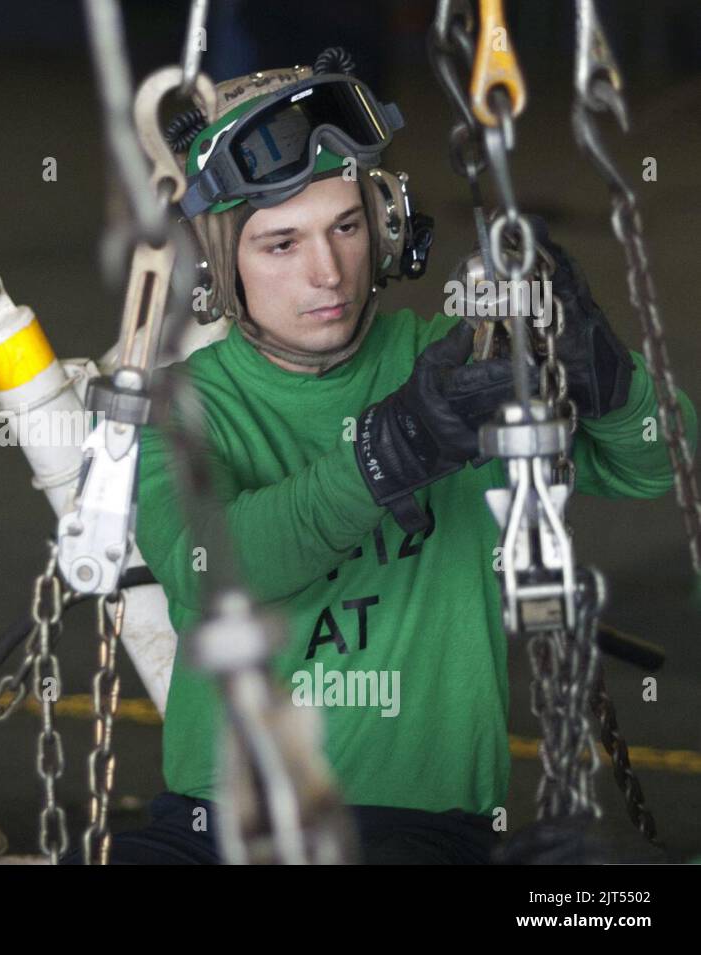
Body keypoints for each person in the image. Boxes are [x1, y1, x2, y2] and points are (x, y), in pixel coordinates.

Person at [68, 57, 697, 864]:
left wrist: (610, 381)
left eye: (347, 227)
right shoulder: (176, 407)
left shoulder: (457, 364)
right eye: (281, 243)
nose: (326, 272)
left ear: (388, 226)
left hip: (421, 834)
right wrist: (389, 450)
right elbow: (214, 566)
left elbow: (663, 466)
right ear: (222, 263)